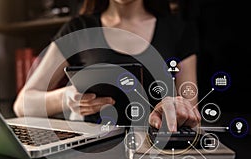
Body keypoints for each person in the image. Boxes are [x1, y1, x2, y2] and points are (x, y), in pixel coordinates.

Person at [13, 0, 201, 132]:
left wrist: (178, 109)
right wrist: (66, 97)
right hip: (94, 148)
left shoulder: (178, 30)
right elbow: (22, 105)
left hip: (156, 148)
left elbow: (191, 114)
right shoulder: (79, 29)